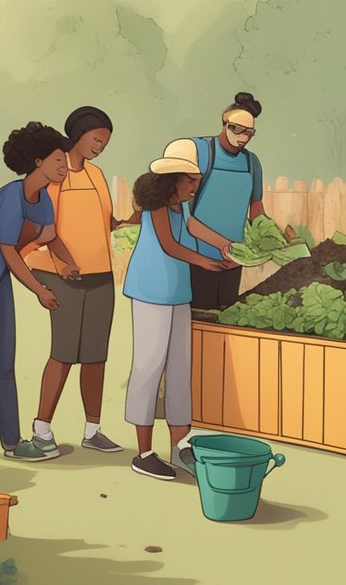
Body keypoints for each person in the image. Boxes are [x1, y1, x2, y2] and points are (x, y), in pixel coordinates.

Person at [0, 122, 77, 471]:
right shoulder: (11, 195)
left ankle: (12, 442)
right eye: (57, 159)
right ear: (37, 161)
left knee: (4, 364)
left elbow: (51, 237)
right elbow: (9, 251)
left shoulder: (43, 201)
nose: (64, 165)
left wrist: (67, 264)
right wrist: (39, 290)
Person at [21, 107, 137, 456]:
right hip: (60, 274)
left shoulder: (98, 176)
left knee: (95, 355)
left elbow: (104, 222)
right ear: (78, 134)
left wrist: (129, 221)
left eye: (105, 141)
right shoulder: (55, 176)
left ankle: (93, 429)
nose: (101, 145)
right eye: (96, 138)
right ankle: (42, 428)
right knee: (64, 351)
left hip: (100, 275)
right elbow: (45, 230)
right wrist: (63, 263)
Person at [123, 140, 235, 480]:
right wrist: (207, 262)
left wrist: (224, 244)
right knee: (148, 367)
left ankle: (179, 447)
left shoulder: (180, 207)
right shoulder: (156, 207)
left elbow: (193, 228)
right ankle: (143, 453)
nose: (195, 187)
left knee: (180, 371)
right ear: (173, 180)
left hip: (176, 293)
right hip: (150, 293)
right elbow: (170, 246)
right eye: (191, 181)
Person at [184, 92, 286, 310]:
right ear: (225, 123)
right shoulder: (200, 152)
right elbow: (186, 217)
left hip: (233, 262)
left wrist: (273, 237)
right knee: (200, 322)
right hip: (199, 259)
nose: (243, 137)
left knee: (226, 318)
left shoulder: (251, 162)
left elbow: (256, 209)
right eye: (237, 130)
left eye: (249, 133)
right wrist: (224, 246)